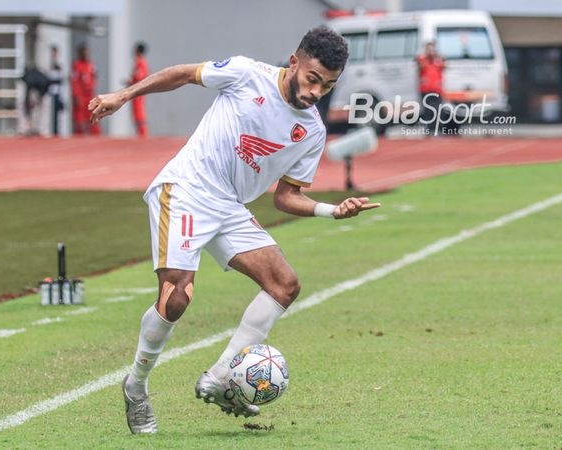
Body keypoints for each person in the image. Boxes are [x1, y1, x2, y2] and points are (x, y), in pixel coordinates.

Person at [90, 26, 379, 434]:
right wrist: (124, 96)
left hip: (229, 206)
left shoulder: (312, 131)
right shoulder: (247, 73)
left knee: (284, 284)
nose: (317, 92)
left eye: (328, 85)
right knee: (176, 298)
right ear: (294, 62)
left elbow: (286, 197)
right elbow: (182, 74)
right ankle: (136, 387)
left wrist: (334, 210)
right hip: (186, 188)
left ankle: (224, 375)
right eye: (313, 79)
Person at [416, 41, 445, 132]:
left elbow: (444, 65)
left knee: (438, 110)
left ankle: (438, 129)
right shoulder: (422, 59)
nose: (431, 51)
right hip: (425, 89)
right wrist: (427, 57)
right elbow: (420, 67)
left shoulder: (438, 60)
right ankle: (429, 129)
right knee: (427, 110)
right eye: (429, 49)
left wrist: (436, 57)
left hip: (437, 89)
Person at [71, 43, 99, 135]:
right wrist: (76, 95)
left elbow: (94, 78)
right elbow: (74, 81)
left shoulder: (91, 65)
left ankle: (96, 138)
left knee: (93, 117)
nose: (85, 54)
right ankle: (79, 137)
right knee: (79, 120)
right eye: (83, 53)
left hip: (89, 96)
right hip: (81, 96)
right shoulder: (76, 65)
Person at [128, 42, 149, 137]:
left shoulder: (140, 63)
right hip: (137, 90)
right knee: (137, 113)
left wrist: (131, 82)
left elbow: (139, 76)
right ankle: (141, 133)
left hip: (138, 91)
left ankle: (142, 134)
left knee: (138, 112)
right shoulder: (140, 62)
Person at [47, 45, 64, 136]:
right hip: (50, 91)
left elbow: (61, 78)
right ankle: (51, 130)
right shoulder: (48, 63)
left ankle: (57, 131)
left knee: (58, 111)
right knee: (50, 112)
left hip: (58, 91)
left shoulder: (59, 63)